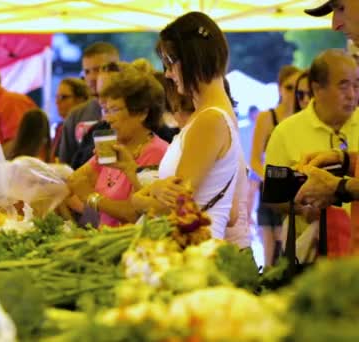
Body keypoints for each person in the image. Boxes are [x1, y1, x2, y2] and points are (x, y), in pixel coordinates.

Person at [134, 11, 250, 248]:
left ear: (190, 59)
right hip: (196, 249)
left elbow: (177, 203)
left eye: (169, 62)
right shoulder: (215, 115)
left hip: (193, 251)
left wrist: (140, 198)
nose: (167, 73)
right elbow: (232, 209)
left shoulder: (210, 120)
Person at [267, 49, 359, 258]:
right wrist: (302, 208)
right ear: (317, 89)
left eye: (356, 85)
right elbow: (272, 197)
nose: (352, 94)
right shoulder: (285, 132)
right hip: (310, 256)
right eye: (343, 85)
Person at [66, 64, 168, 227]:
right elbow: (75, 180)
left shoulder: (157, 153)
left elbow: (134, 213)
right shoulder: (113, 147)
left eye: (114, 110)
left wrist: (92, 198)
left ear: (142, 113)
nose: (108, 119)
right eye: (106, 110)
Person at [250, 65, 300, 265]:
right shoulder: (267, 117)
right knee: (271, 252)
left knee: (295, 249)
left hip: (298, 190)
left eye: (299, 89)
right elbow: (254, 159)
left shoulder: (304, 120)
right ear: (279, 88)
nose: (294, 94)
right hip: (272, 189)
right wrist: (272, 180)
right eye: (289, 88)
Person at [57, 42, 120, 165]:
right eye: (87, 72)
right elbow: (65, 165)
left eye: (98, 69)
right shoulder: (75, 116)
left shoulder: (131, 111)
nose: (91, 77)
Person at [52, 78, 89, 161]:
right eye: (57, 97)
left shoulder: (85, 128)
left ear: (80, 99)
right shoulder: (59, 127)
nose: (57, 102)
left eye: (63, 97)